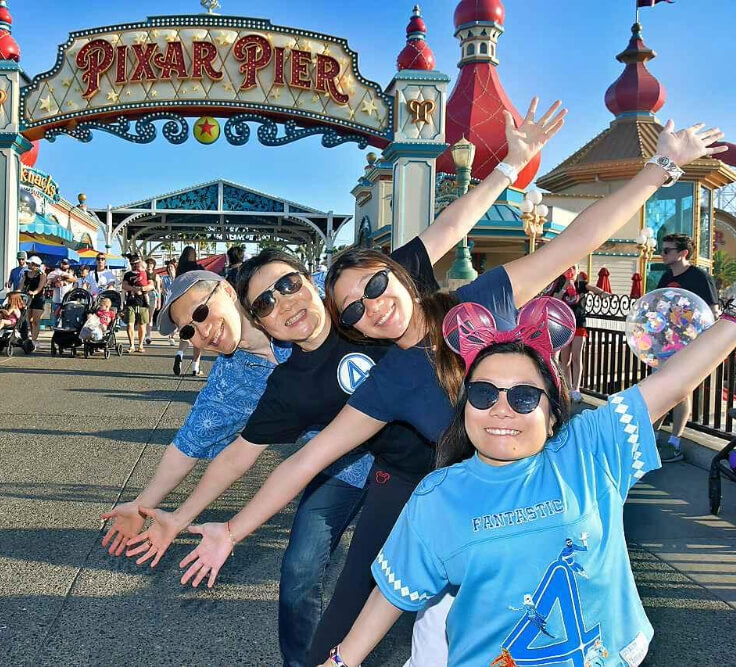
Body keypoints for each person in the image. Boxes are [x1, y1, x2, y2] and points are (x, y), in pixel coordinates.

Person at [168, 117, 723, 665]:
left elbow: (579, 238)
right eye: (356, 310)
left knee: (553, 608)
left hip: (538, 485)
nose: (373, 305)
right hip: (441, 491)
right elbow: (308, 458)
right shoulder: (392, 378)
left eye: (377, 284)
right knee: (351, 623)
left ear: (402, 274)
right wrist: (231, 531)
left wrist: (659, 168)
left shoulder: (479, 301)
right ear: (353, 328)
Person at [114, 97, 581, 667]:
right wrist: (177, 516)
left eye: (289, 286)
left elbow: (449, 225)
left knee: (481, 598)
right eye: (266, 302)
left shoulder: (368, 296)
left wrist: (510, 165)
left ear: (310, 284)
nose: (284, 304)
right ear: (257, 316)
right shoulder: (275, 382)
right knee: (318, 579)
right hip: (377, 468)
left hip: (465, 454)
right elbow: (227, 454)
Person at [318, 296, 736, 667]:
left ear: (552, 413)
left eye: (522, 397)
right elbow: (396, 590)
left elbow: (674, 380)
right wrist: (341, 661)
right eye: (484, 394)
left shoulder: (588, 449)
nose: (501, 409)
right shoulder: (438, 495)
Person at [653, 232, 721, 462]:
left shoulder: (700, 278)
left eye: (667, 250)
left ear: (682, 253)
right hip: (665, 344)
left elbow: (713, 312)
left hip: (689, 345)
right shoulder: (665, 278)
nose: (662, 254)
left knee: (681, 391)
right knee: (660, 389)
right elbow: (657, 308)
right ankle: (652, 437)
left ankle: (674, 443)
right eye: (662, 249)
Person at [548, 266, 609, 402]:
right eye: (568, 268)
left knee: (577, 356)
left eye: (573, 268)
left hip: (579, 325)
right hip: (564, 325)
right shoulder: (559, 285)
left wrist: (603, 293)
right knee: (565, 360)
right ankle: (567, 388)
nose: (571, 271)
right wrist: (565, 287)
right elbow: (555, 299)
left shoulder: (580, 285)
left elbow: (592, 288)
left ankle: (576, 388)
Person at [175, 246, 205, 376]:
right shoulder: (199, 269)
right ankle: (195, 367)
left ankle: (180, 354)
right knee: (198, 336)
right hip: (198, 305)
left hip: (183, 305)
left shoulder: (180, 270)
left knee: (185, 334)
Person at [122, 254, 152, 353]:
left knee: (141, 324)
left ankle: (140, 345)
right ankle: (131, 345)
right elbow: (124, 285)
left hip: (142, 302)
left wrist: (142, 289)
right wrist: (133, 288)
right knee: (130, 324)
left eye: (136, 263)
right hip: (130, 302)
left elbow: (151, 285)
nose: (134, 265)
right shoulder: (128, 274)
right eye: (132, 263)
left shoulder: (146, 273)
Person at [19, 256, 46, 342]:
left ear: (35, 265)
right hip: (28, 298)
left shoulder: (42, 275)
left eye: (29, 263)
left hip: (38, 298)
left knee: (35, 321)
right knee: (29, 320)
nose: (27, 264)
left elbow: (40, 287)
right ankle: (31, 337)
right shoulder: (26, 273)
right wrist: (17, 292)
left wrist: (34, 292)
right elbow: (21, 285)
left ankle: (34, 340)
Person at [145, 257, 163, 347]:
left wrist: (159, 301)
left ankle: (148, 335)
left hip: (153, 296)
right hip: (143, 295)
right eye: (148, 264)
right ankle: (144, 334)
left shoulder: (156, 276)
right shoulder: (142, 274)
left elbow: (159, 289)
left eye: (151, 264)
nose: (149, 266)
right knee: (143, 316)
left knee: (150, 317)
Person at [161, 259, 177, 345]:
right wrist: (164, 291)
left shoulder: (178, 278)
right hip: (168, 301)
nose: (170, 269)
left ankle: (173, 335)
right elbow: (163, 290)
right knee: (170, 319)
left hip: (177, 300)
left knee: (177, 320)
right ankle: (171, 337)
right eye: (168, 267)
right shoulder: (165, 279)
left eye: (171, 267)